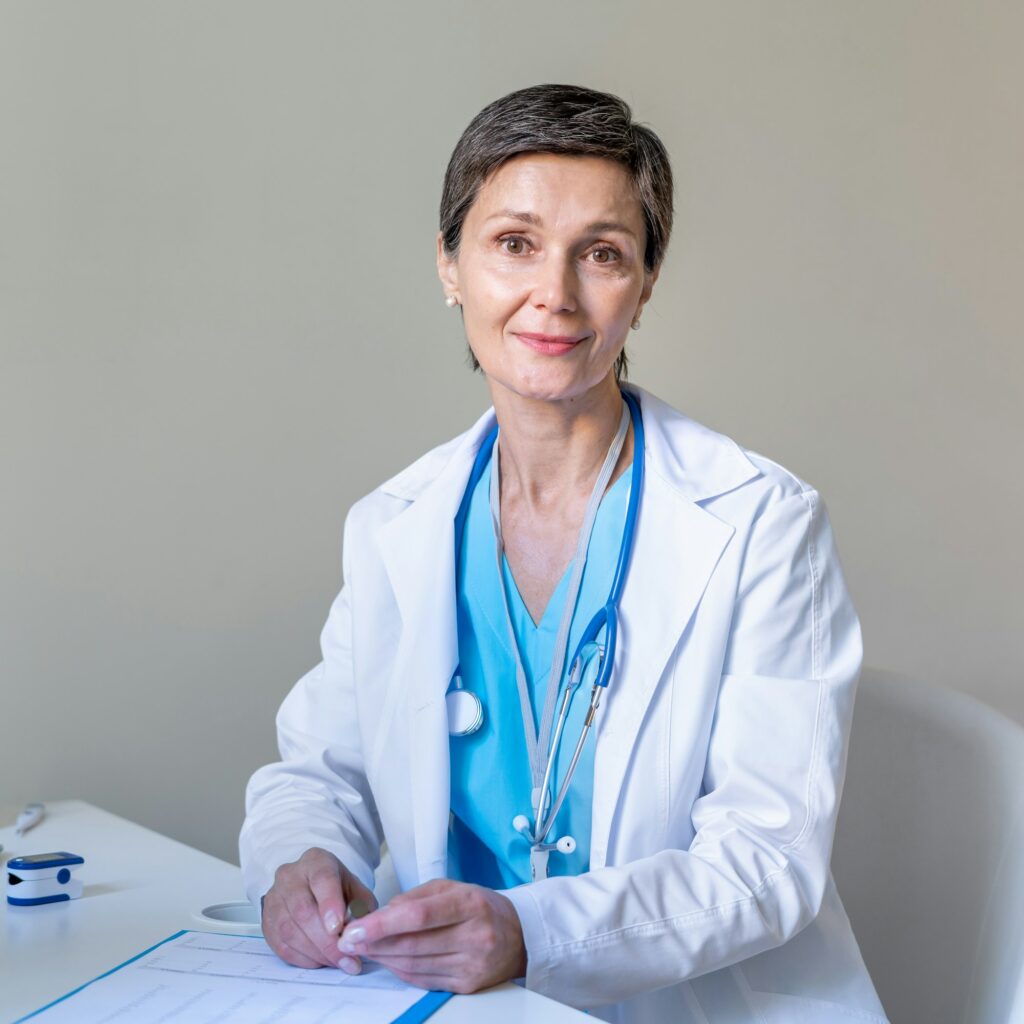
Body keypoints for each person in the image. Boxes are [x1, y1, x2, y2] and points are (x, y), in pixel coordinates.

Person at [240, 84, 889, 1023]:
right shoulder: (397, 526)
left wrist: (531, 932)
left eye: (603, 253)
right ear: (449, 266)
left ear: (646, 283)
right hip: (463, 1007)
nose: (555, 293)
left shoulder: (762, 523)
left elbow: (768, 860)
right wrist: (303, 863)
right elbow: (319, 771)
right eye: (514, 244)